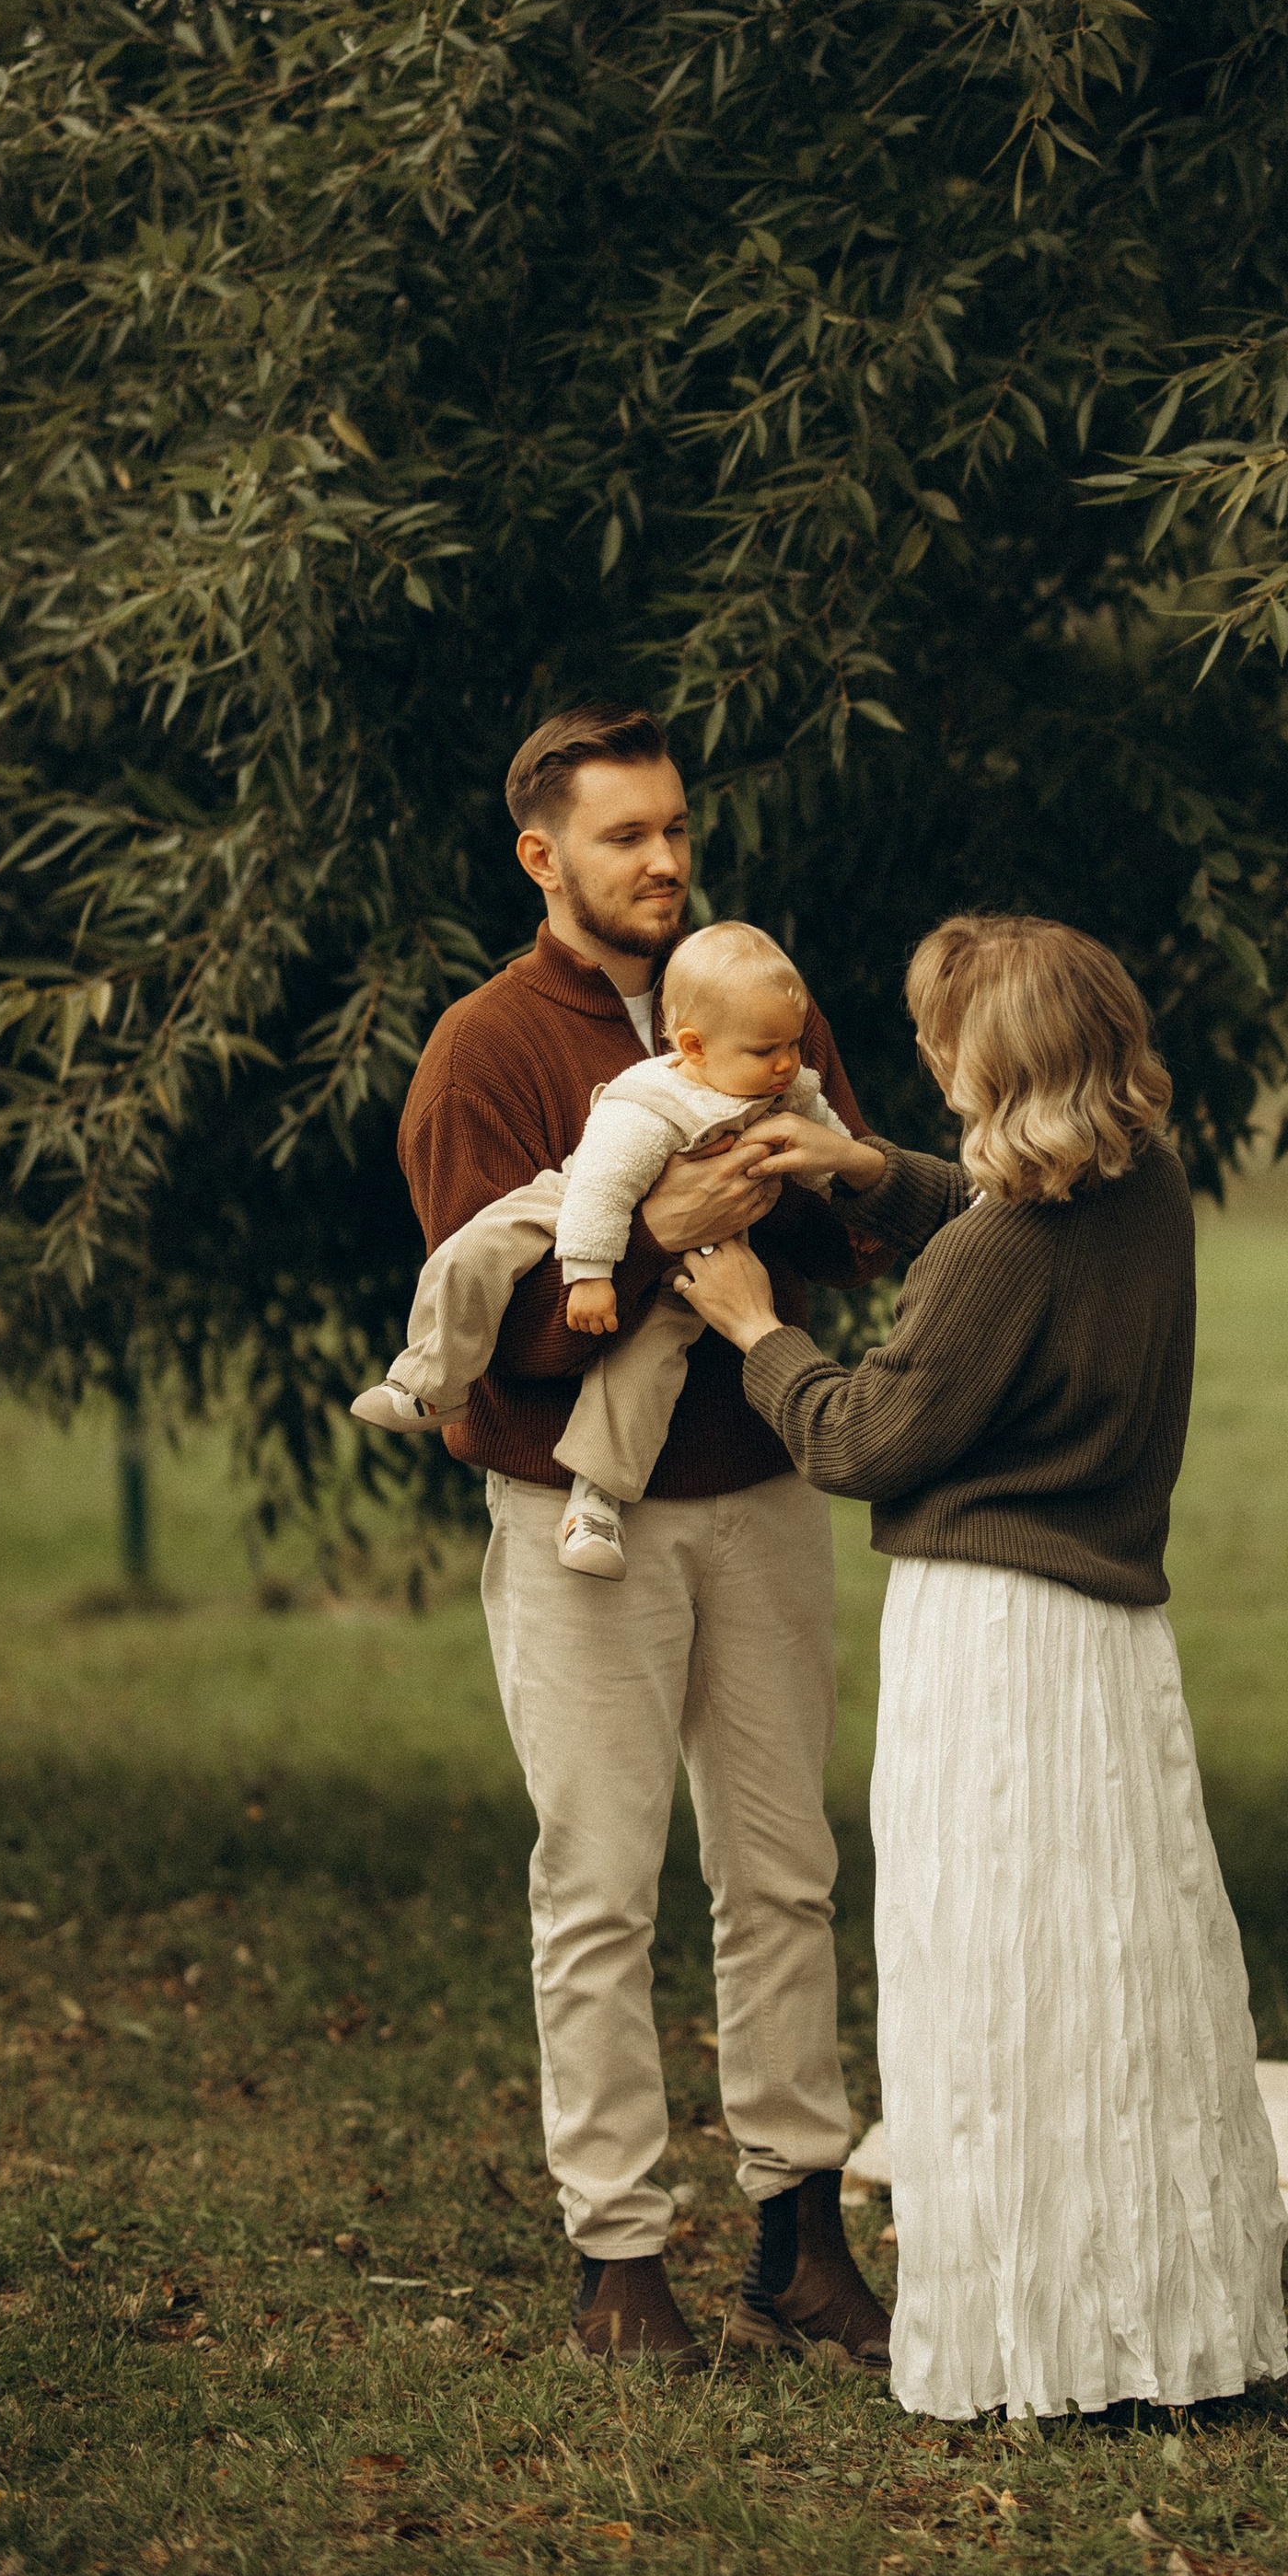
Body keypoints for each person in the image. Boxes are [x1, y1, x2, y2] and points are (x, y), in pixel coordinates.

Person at [677, 910, 1288, 2420]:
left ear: (990, 1071)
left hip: (997, 1648)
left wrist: (759, 1329)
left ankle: (1038, 2336)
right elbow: (1003, 1210)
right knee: (1118, 1977)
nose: (929, 1068)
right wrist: (860, 1168)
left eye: (946, 1051)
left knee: (1005, 1974)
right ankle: (1162, 2319)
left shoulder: (990, 1263)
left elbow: (860, 1436)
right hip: (1113, 1648)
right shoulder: (1148, 1188)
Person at [394, 702, 892, 2375]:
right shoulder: (484, 1051)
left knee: (784, 1872)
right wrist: (657, 1228)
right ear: (543, 857)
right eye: (626, 836)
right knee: (599, 1881)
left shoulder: (760, 998)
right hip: (575, 1520)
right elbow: (486, 1334)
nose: (665, 858)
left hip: (756, 1489)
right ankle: (617, 2252)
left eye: (676, 827)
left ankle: (800, 2232)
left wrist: (813, 1192)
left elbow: (854, 1220)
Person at [352, 918, 846, 1581]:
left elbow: (830, 1138)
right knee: (482, 1247)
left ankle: (596, 1502)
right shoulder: (652, 1099)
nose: (788, 1063)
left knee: (647, 1364)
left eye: (792, 1044)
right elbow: (604, 1189)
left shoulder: (778, 1079)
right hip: (573, 1201)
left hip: (701, 1262)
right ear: (694, 1047)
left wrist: (846, 1167)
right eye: (768, 1051)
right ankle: (433, 1375)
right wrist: (589, 1273)